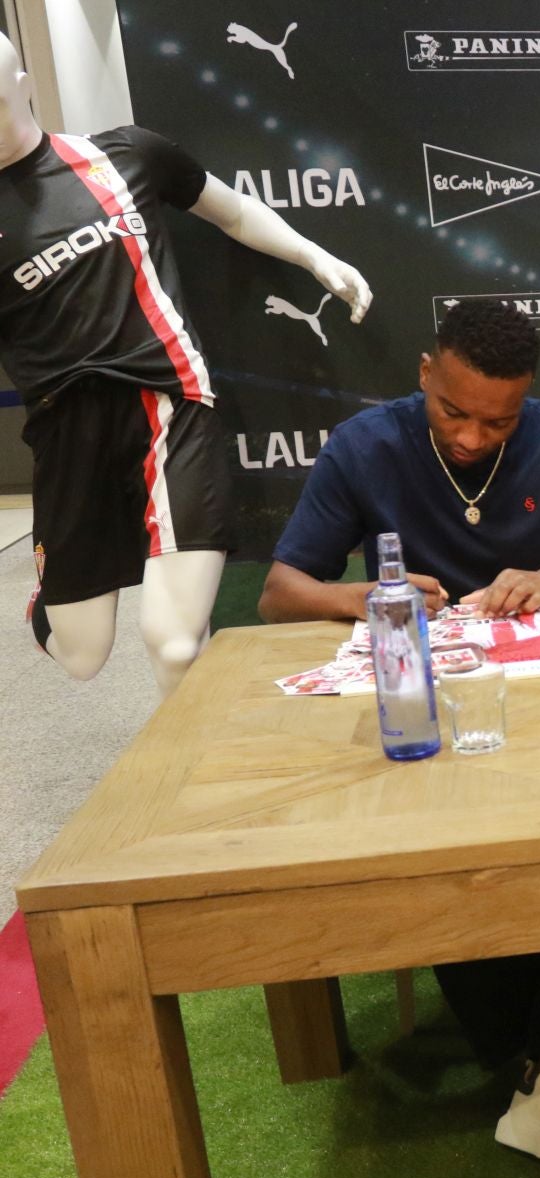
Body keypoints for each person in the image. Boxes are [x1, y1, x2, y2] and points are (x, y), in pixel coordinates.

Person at [261, 300, 540, 1174]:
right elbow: (280, 592)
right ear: (426, 374)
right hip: (420, 699)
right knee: (446, 826)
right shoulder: (366, 444)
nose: (472, 437)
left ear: (528, 400)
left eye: (498, 420)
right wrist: (361, 598)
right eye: (454, 412)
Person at [0, 33, 372, 695]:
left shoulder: (125, 156)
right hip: (64, 431)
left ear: (24, 83)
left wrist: (317, 257)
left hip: (168, 403)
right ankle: (47, 601)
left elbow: (231, 210)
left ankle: (191, 782)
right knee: (82, 655)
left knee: (173, 645)